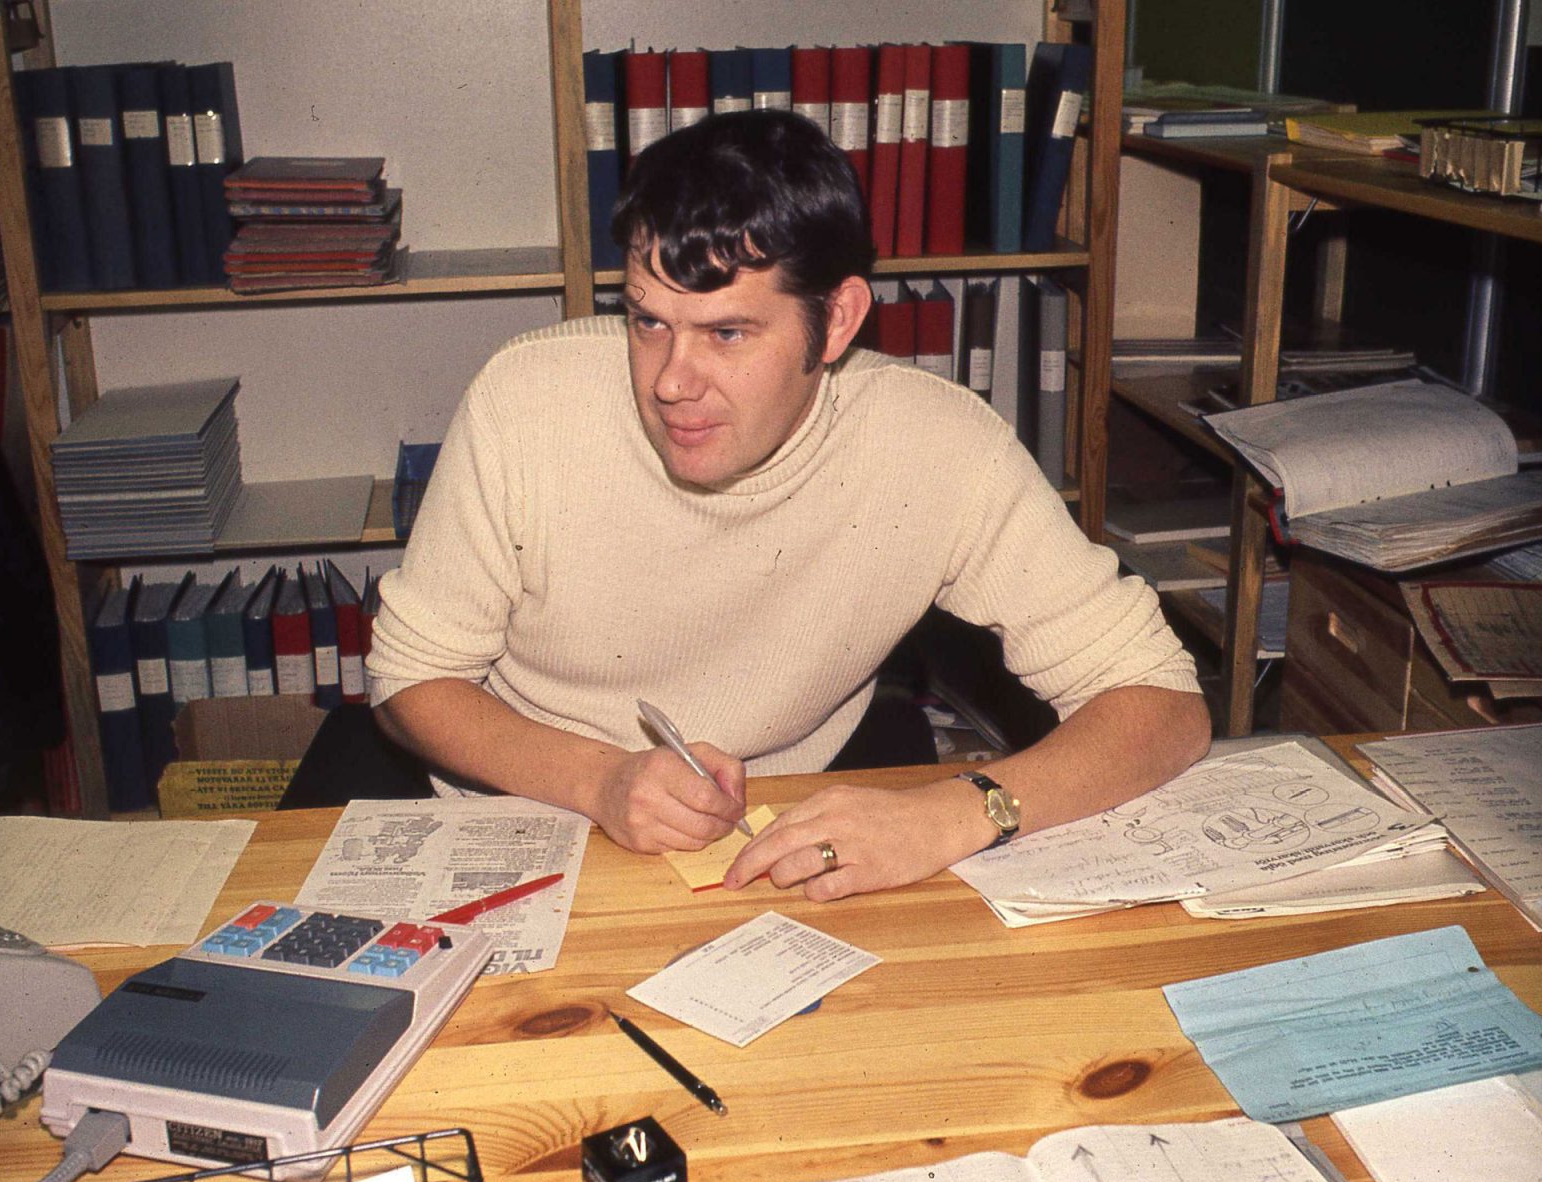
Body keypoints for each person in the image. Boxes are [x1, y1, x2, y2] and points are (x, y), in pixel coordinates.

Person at [366, 109, 1210, 900]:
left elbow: (1163, 701)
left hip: (778, 830)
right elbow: (411, 679)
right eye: (649, 322)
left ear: (836, 321)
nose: (671, 382)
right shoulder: (526, 400)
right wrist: (600, 780)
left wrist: (953, 812)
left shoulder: (940, 444)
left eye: (727, 333)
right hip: (526, 812)